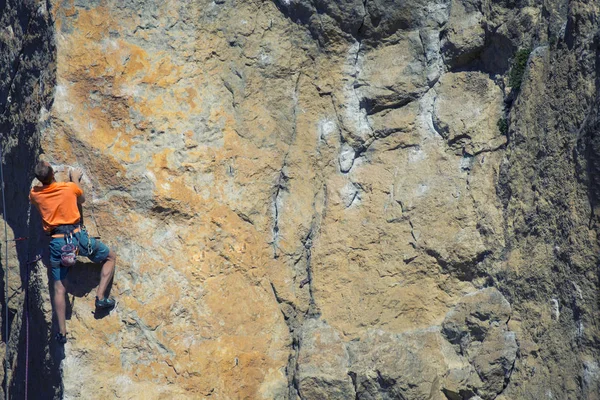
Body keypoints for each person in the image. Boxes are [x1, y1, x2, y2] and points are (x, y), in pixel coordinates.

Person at [29, 160, 116, 344]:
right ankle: (101, 297)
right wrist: (75, 179)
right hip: (77, 238)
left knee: (59, 287)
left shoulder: (35, 195)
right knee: (110, 257)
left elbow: (37, 191)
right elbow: (82, 199)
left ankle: (61, 332)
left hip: (57, 243)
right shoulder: (69, 188)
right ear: (53, 173)